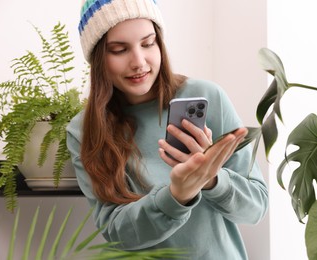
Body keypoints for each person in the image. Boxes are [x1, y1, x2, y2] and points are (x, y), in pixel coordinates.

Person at [67, 0, 269, 259]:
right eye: (119, 49)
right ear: (97, 59)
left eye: (148, 43)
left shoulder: (207, 97)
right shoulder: (83, 131)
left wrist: (211, 180)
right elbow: (118, 232)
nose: (138, 62)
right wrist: (176, 195)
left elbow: (256, 208)